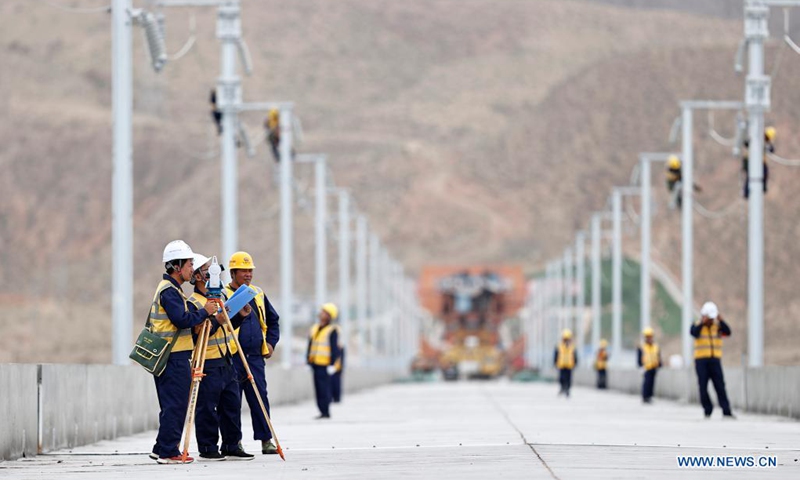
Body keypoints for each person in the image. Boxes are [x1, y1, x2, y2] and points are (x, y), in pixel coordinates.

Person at [149, 240, 217, 464]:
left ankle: (162, 447)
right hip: (172, 356)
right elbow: (181, 320)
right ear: (177, 266)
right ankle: (169, 452)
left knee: (171, 404)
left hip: (174, 355)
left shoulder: (173, 290)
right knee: (175, 404)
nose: (191, 268)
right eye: (189, 264)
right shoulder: (169, 291)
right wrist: (205, 312)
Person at [187, 254, 253, 461]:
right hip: (207, 362)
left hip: (226, 359)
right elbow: (198, 333)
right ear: (198, 276)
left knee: (232, 405)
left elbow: (225, 327)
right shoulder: (193, 302)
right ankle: (207, 447)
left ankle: (232, 444)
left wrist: (239, 317)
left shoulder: (220, 298)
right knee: (207, 407)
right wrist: (216, 319)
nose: (212, 274)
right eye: (206, 270)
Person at [224, 251, 281, 455]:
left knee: (260, 399)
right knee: (232, 402)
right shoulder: (224, 294)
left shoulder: (257, 293)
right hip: (232, 357)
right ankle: (234, 442)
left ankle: (266, 440)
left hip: (255, 357)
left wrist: (271, 343)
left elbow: (273, 320)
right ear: (233, 272)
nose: (248, 274)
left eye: (250, 270)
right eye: (243, 271)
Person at [690, 301, 734, 419]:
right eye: (709, 318)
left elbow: (728, 332)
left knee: (720, 386)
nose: (711, 320)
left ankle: (726, 411)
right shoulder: (697, 325)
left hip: (715, 360)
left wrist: (721, 320)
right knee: (703, 386)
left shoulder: (717, 326)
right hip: (701, 361)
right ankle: (707, 410)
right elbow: (693, 333)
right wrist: (702, 323)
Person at [307, 303, 341, 418]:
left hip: (325, 364)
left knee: (324, 388)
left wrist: (332, 364)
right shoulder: (315, 328)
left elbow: (335, 349)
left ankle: (325, 411)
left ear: (329, 316)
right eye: (322, 311)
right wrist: (308, 361)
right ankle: (321, 410)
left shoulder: (332, 330)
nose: (322, 314)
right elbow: (310, 345)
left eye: (325, 312)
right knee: (317, 388)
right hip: (315, 363)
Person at [742, 126, 775, 199]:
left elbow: (772, 149)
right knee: (751, 176)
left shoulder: (766, 142)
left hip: (758, 162)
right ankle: (747, 192)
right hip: (750, 160)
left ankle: (761, 187)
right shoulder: (757, 138)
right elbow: (746, 143)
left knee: (762, 173)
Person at [637, 327, 662, 404]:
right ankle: (645, 396)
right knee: (646, 383)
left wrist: (660, 364)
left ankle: (650, 396)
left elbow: (658, 356)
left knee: (652, 383)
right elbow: (639, 357)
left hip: (654, 367)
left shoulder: (656, 347)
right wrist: (640, 366)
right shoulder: (642, 347)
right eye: (647, 337)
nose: (649, 338)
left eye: (650, 337)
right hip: (646, 368)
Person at [554, 329, 577, 398]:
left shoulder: (572, 347)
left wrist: (575, 362)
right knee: (561, 378)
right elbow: (556, 355)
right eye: (565, 339)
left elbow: (575, 356)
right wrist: (555, 362)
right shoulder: (559, 346)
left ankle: (567, 389)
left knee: (568, 379)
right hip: (561, 365)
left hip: (569, 365)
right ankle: (562, 388)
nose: (566, 340)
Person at [330, 322, 345, 403]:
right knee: (332, 383)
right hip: (333, 367)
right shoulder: (335, 346)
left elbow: (342, 358)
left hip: (337, 368)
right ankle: (334, 397)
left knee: (336, 383)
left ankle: (337, 398)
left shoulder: (340, 346)